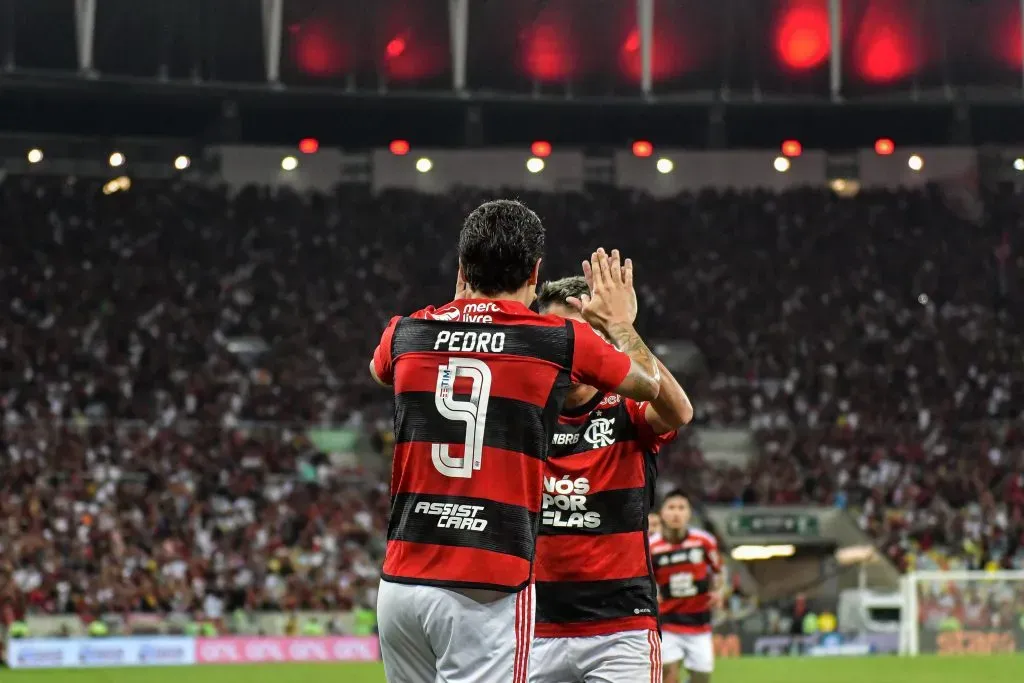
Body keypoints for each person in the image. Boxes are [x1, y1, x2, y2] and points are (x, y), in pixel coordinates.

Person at [370, 199, 663, 683]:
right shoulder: (557, 339)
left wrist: (459, 315)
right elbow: (649, 385)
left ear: (462, 268)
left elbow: (380, 371)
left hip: (401, 580)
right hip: (486, 582)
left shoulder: (406, 332)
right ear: (535, 272)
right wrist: (621, 326)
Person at [530, 273, 693, 683]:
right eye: (558, 334)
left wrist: (622, 327)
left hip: (622, 631)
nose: (570, 347)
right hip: (533, 627)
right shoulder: (524, 411)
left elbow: (679, 413)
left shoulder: (626, 405)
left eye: (584, 334)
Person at [652, 491, 724, 683]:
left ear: (689, 513)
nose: (676, 513)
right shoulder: (651, 546)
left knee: (701, 677)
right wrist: (653, 595)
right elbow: (645, 579)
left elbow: (718, 571)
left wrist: (717, 591)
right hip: (666, 621)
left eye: (681, 508)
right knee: (668, 672)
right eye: (671, 508)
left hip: (699, 621)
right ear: (662, 513)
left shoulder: (704, 541)